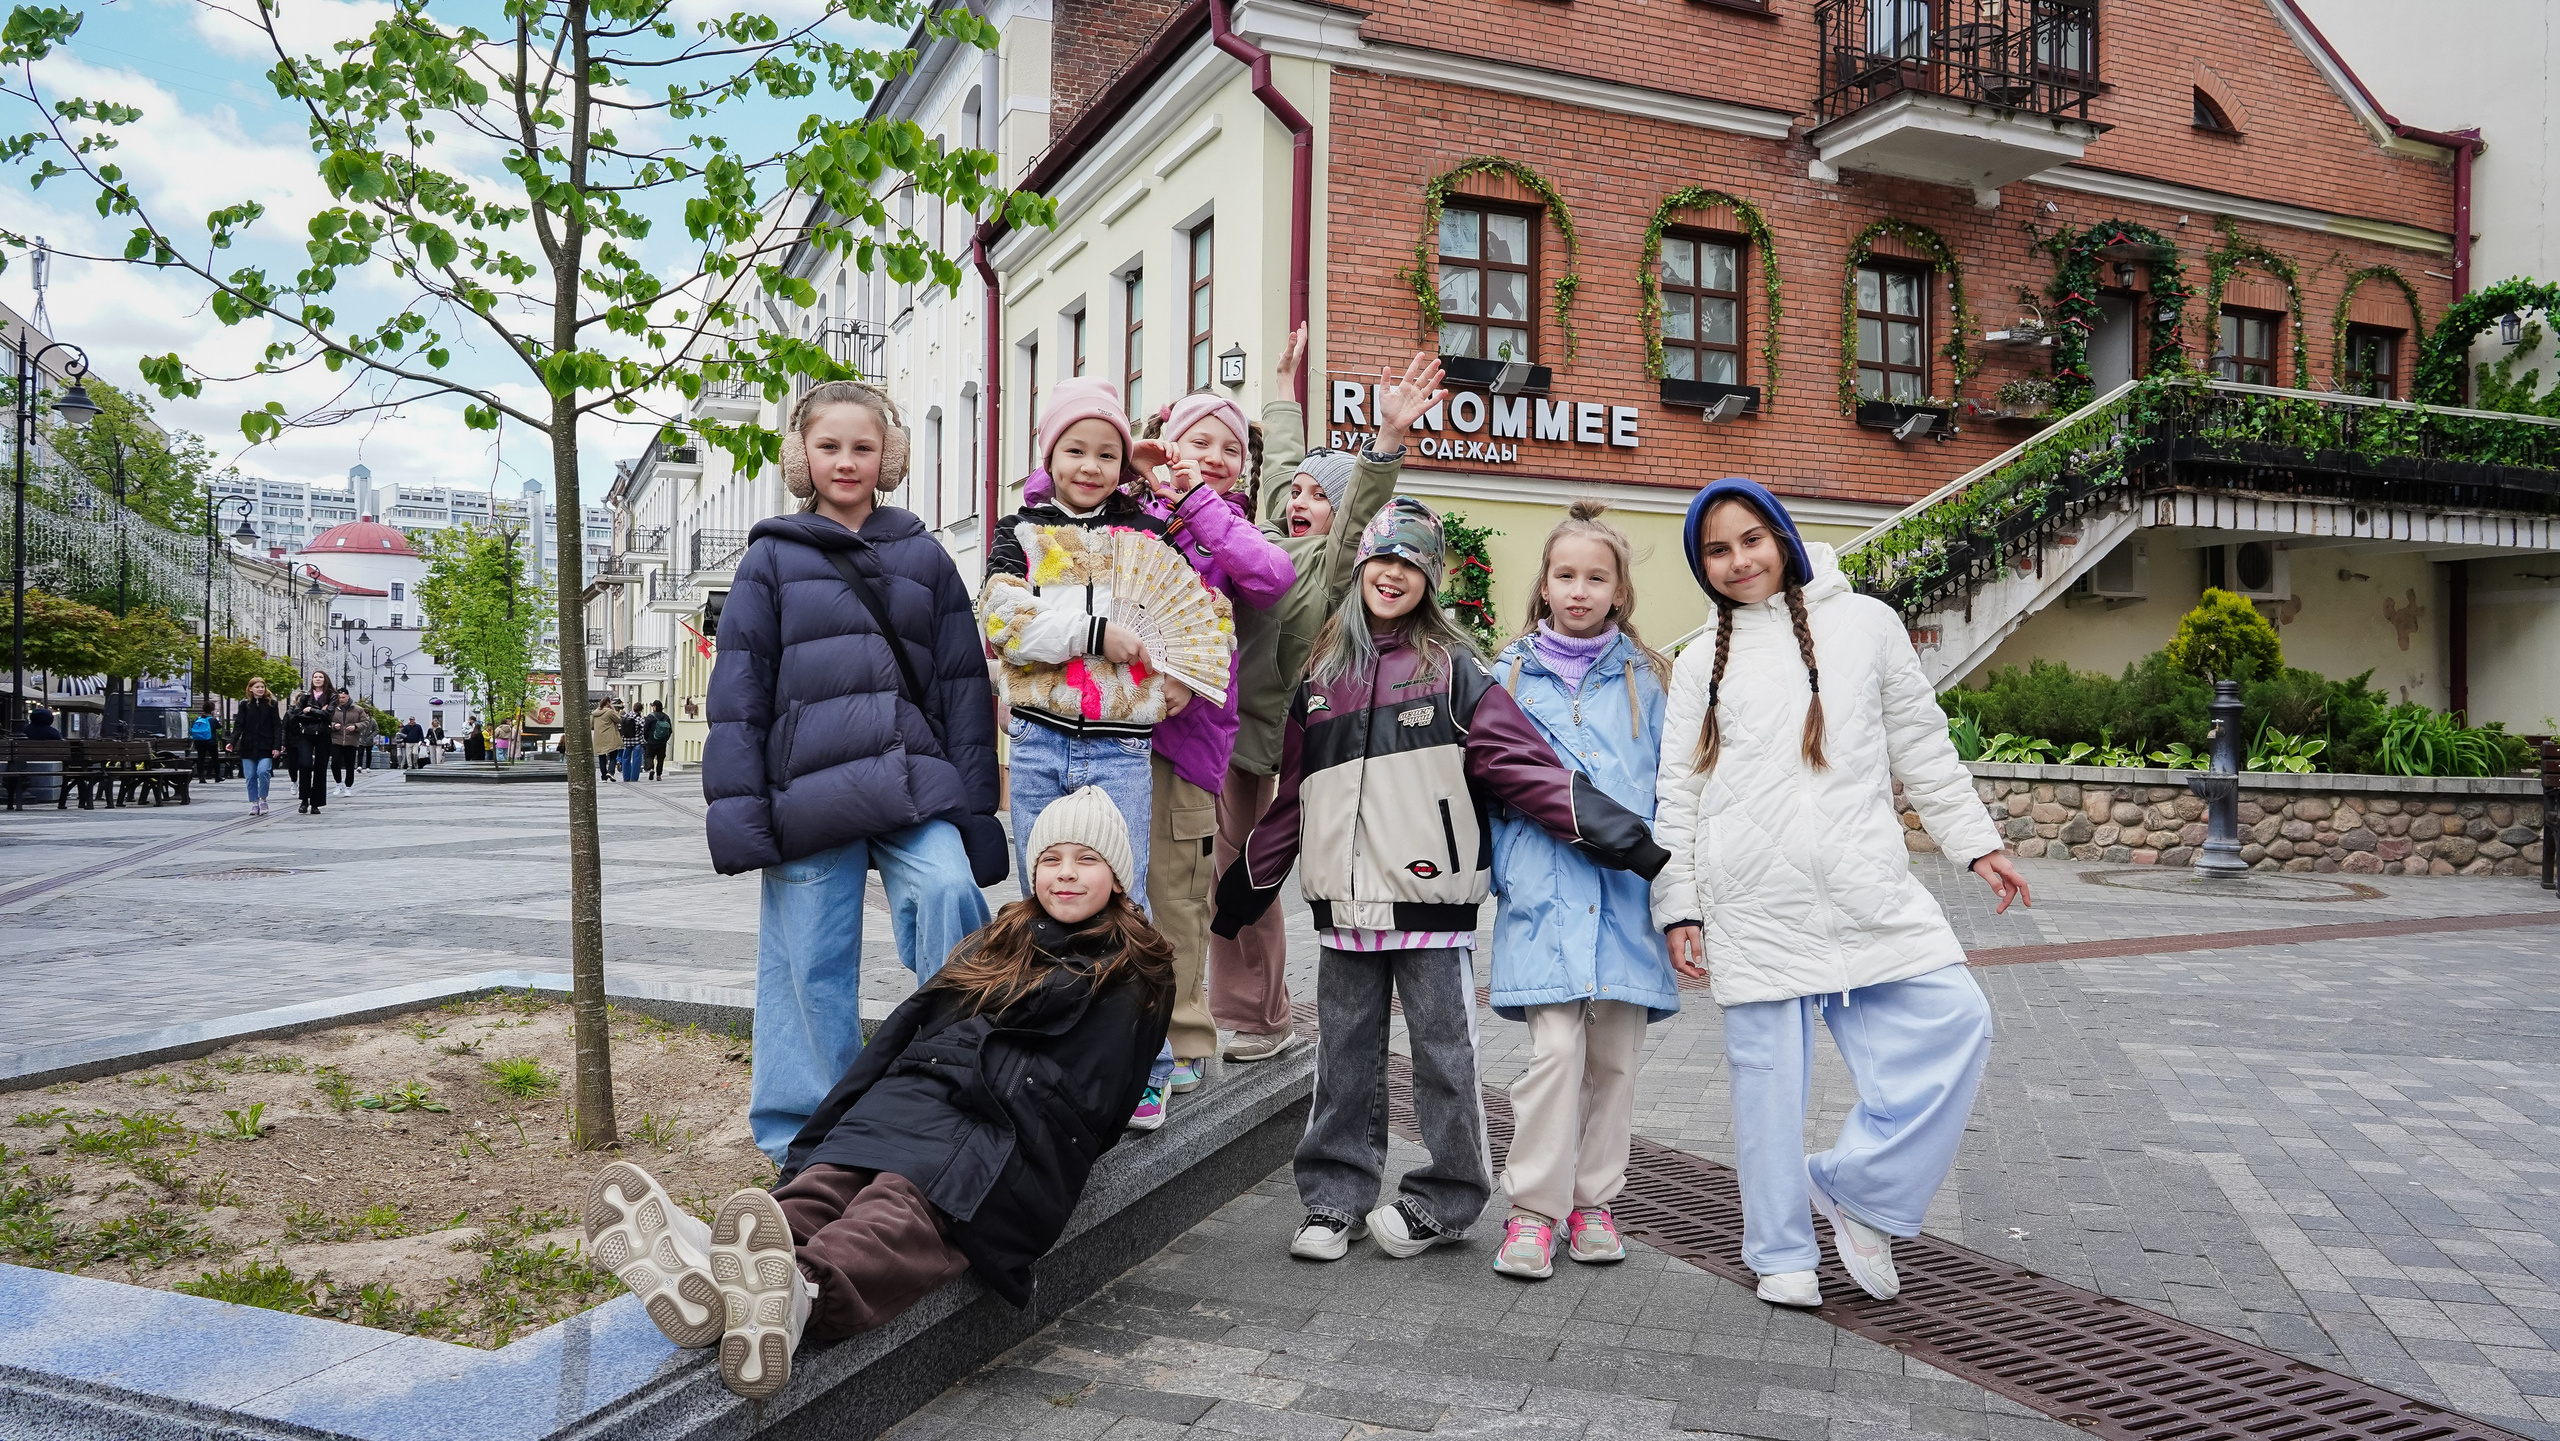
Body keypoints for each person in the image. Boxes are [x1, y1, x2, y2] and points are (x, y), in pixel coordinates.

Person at [586, 787, 1171, 1400]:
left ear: (1119, 877)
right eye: (1051, 860)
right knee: (832, 1174)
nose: (1066, 875)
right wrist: (824, 1132)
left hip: (1010, 1127)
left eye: (1086, 860)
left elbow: (1095, 1092)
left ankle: (800, 1292)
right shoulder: (1000, 938)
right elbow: (908, 1027)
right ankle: (716, 1269)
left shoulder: (1136, 968)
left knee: (901, 1202)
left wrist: (978, 1076)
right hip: (926, 1090)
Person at [1212, 498, 1669, 1263]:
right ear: (1360, 568)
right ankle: (1335, 1197)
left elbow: (1530, 772)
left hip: (1431, 906)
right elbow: (1295, 797)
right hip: (1343, 911)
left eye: (1410, 563)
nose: (1391, 574)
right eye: (1380, 560)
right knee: (1344, 1059)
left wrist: (1636, 845)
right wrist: (1245, 889)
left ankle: (1448, 1197)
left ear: (1429, 578)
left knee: (1445, 1059)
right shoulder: (1321, 678)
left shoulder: (1457, 672)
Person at [1653, 478, 2032, 1310]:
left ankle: (1859, 1191)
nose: (1738, 559)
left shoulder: (1866, 624)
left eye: (1751, 538)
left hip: (1865, 887)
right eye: (1717, 549)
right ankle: (1780, 1251)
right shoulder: (1697, 662)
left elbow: (1922, 744)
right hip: (1749, 903)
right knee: (1767, 1086)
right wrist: (1678, 904)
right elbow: (1675, 794)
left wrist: (1978, 844)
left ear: (1782, 535)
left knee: (1959, 1017)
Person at [706, 379, 1006, 1163]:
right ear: (801, 455)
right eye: (829, 445)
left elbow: (963, 689)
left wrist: (976, 813)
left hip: (912, 779)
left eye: (863, 446)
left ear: (889, 457)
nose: (846, 460)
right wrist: (743, 816)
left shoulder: (926, 557)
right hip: (806, 791)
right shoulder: (769, 559)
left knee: (949, 894)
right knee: (808, 964)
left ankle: (953, 1088)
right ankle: (805, 1142)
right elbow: (739, 693)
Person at [979, 374, 1198, 1129]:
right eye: (1076, 448)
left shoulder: (1148, 531)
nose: (1090, 465)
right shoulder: (1021, 533)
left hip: (1121, 749)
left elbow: (1192, 612)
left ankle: (1146, 1067)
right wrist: (1093, 635)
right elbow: (1006, 622)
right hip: (1040, 739)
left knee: (1125, 906)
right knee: (1046, 900)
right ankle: (1054, 1053)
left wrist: (1184, 680)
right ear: (1051, 453)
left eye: (1108, 452)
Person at [1211, 349, 1438, 1066]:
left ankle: (1258, 1016)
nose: (1300, 501)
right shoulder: (1265, 541)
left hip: (1291, 750)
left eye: (1319, 495)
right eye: (1297, 493)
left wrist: (1389, 441)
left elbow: (1363, 508)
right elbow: (1277, 472)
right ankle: (1239, 1010)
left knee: (1250, 876)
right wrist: (1283, 393)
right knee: (1222, 878)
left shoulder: (1333, 562)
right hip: (1233, 740)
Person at [1482, 502, 1680, 1281]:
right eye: (1565, 574)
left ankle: (1594, 1200)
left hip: (1626, 900)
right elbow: (1487, 787)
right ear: (1545, 582)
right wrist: (1510, 868)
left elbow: (1671, 791)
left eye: (1596, 577)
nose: (1579, 590)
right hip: (1544, 895)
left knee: (1616, 1061)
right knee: (1556, 1051)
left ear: (1620, 590)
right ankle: (1533, 1210)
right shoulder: (1505, 675)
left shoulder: (1648, 680)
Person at [1116, 360, 1295, 1097]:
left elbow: (1271, 575)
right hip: (1109, 730)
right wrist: (1131, 466)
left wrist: (1196, 495)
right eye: (1198, 440)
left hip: (1190, 745)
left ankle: (1184, 1037)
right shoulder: (1128, 507)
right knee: (1112, 889)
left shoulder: (1231, 530)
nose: (1216, 456)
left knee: (1183, 893)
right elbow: (1048, 506)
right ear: (1165, 441)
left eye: (1230, 448)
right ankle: (1117, 1037)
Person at [289, 671, 337, 814]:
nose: (317, 679)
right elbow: (296, 714)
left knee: (320, 768)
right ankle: (304, 800)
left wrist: (310, 710)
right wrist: (318, 712)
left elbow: (329, 714)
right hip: (306, 734)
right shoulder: (305, 696)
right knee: (305, 764)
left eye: (320, 677)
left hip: (323, 734)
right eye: (315, 677)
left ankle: (316, 803)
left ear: (325, 679)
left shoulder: (332, 696)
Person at [233, 679, 282, 815]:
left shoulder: (271, 704)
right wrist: (232, 741)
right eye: (257, 687)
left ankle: (263, 799)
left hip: (266, 746)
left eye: (262, 687)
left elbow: (277, 725)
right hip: (248, 746)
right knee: (250, 776)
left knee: (263, 771)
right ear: (250, 689)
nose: (260, 689)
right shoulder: (245, 705)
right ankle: (254, 803)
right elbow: (239, 725)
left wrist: (277, 746)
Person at [328, 689, 368, 795]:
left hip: (351, 740)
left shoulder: (358, 709)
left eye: (343, 697)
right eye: (339, 697)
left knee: (349, 764)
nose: (341, 700)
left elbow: (365, 722)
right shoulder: (333, 709)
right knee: (335, 762)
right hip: (336, 739)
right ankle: (338, 783)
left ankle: (348, 786)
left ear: (348, 696)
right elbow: (326, 720)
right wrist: (333, 726)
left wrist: (355, 726)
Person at [589, 699, 620, 782]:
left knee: (601, 757)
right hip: (610, 736)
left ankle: (603, 777)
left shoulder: (594, 713)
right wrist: (614, 710)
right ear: (608, 703)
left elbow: (591, 725)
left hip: (599, 737)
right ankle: (611, 772)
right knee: (613, 755)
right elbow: (619, 719)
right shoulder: (610, 712)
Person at [644, 700, 672, 780]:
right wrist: (665, 739)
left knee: (649, 756)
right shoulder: (666, 717)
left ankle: (651, 769)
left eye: (653, 706)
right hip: (662, 742)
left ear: (655, 707)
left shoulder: (650, 716)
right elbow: (670, 730)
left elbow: (645, 729)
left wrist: (647, 739)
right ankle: (659, 775)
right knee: (660, 758)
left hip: (651, 741)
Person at [619, 702, 645, 782]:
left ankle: (626, 777)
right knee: (636, 759)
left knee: (625, 758)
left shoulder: (626, 716)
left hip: (626, 741)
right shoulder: (640, 719)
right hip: (636, 741)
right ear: (641, 710)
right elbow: (643, 729)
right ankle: (634, 778)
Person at [190, 712, 218, 780]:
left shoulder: (198, 719)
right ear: (211, 710)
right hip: (211, 741)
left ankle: (201, 777)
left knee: (200, 759)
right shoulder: (212, 720)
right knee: (215, 759)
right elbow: (219, 726)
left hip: (199, 742)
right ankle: (217, 776)